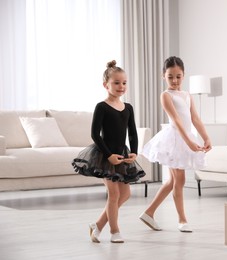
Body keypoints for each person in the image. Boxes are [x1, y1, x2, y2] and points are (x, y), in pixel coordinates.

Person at [72, 60, 144, 243]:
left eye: (124, 83)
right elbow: (95, 134)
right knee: (114, 195)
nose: (121, 86)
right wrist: (109, 156)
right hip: (105, 155)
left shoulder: (128, 108)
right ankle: (114, 231)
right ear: (106, 85)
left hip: (122, 154)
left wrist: (134, 152)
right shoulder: (101, 107)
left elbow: (133, 133)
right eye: (117, 83)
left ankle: (97, 225)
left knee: (125, 194)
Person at [139, 56, 212, 233]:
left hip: (186, 138)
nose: (174, 80)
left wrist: (206, 137)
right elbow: (177, 121)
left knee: (173, 181)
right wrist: (189, 142)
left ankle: (148, 213)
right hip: (174, 140)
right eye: (170, 76)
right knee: (179, 180)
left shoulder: (187, 95)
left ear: (183, 75)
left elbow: (195, 118)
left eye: (178, 76)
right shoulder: (166, 95)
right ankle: (182, 220)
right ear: (163, 75)